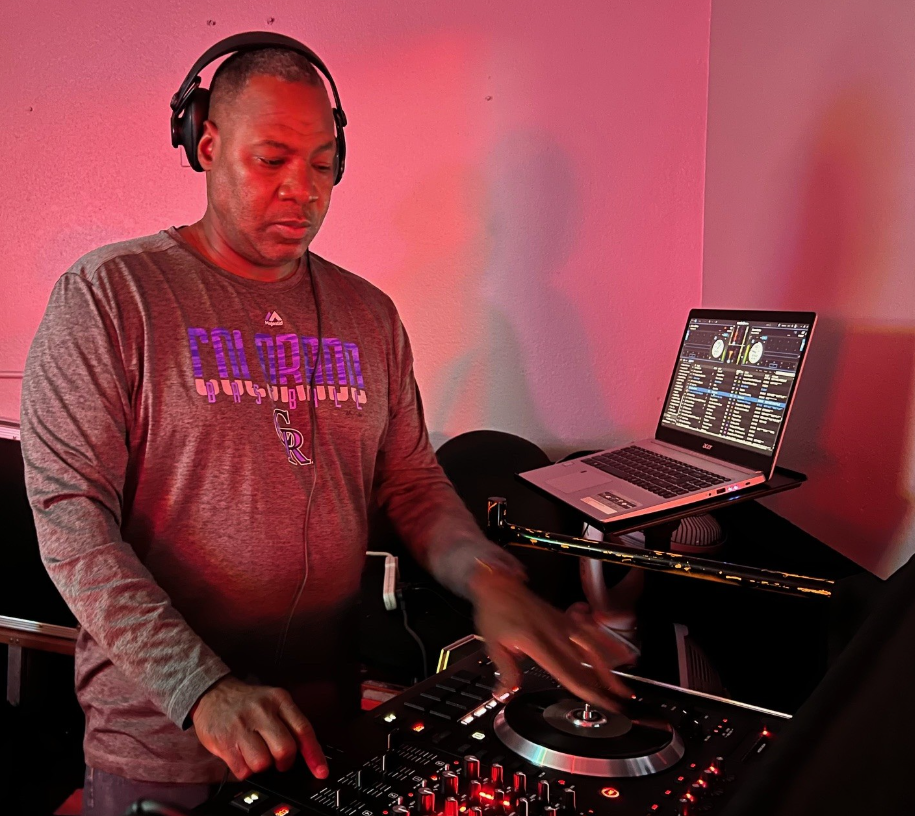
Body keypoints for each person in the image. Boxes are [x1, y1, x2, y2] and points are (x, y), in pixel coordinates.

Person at [19, 39, 633, 815]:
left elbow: (410, 480)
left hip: (326, 733)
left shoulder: (367, 315)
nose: (300, 191)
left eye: (321, 163)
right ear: (205, 144)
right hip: (167, 744)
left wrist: (486, 579)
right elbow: (71, 523)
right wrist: (200, 687)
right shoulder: (112, 296)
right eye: (271, 159)